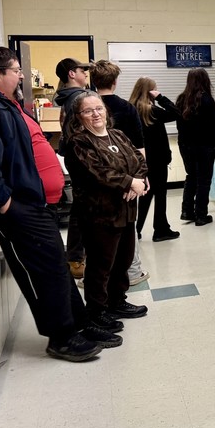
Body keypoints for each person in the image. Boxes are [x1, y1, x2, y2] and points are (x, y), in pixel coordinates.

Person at [0, 47, 115, 362]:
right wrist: (4, 204)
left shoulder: (4, 104)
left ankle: (80, 323)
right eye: (16, 70)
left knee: (56, 259)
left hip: (24, 200)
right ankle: (61, 337)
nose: (21, 75)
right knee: (42, 265)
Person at [67, 92, 150, 330]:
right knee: (101, 265)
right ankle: (96, 310)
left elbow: (139, 161)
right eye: (88, 111)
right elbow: (98, 173)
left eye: (99, 109)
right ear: (79, 117)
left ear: (106, 111)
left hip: (125, 210)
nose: (95, 114)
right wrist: (129, 183)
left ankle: (117, 301)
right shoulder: (79, 142)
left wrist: (138, 180)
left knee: (123, 260)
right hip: (99, 214)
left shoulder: (118, 135)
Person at [90, 60, 149, 285]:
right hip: (128, 176)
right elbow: (139, 146)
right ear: (115, 82)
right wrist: (141, 177)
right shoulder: (126, 107)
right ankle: (132, 272)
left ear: (94, 82)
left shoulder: (84, 107)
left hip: (100, 178)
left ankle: (99, 276)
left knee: (99, 230)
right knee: (127, 226)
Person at [130, 77, 181, 242]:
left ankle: (136, 230)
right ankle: (160, 229)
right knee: (160, 194)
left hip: (140, 159)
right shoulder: (153, 110)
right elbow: (177, 113)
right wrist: (161, 97)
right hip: (158, 159)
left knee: (145, 194)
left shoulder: (131, 109)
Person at [53, 57, 91, 280]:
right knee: (83, 208)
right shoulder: (79, 98)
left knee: (80, 206)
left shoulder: (66, 98)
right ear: (71, 74)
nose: (85, 74)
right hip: (83, 157)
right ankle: (76, 257)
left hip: (74, 156)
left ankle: (76, 255)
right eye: (81, 71)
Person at [176, 68, 215, 226]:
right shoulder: (207, 99)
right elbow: (212, 127)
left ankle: (187, 211)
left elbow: (179, 126)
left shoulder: (181, 99)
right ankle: (201, 215)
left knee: (191, 177)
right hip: (204, 145)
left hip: (185, 145)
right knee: (204, 180)